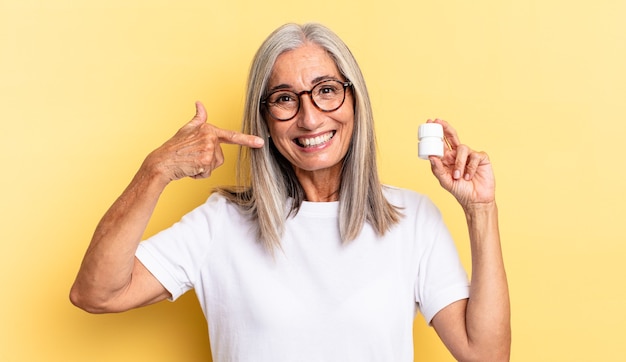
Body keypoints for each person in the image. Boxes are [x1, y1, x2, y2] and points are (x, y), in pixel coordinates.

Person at [70, 23, 510, 361]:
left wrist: (480, 211)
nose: (310, 118)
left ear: (354, 101)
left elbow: (485, 354)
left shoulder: (412, 217)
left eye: (326, 91)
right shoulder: (221, 223)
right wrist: (157, 170)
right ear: (262, 117)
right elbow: (96, 293)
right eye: (284, 98)